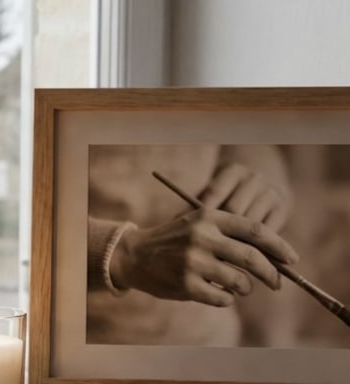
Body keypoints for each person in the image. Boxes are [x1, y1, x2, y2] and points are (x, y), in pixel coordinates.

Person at [85, 144, 299, 347]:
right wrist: (123, 256)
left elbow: (243, 130)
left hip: (208, 341)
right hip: (84, 344)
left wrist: (261, 171)